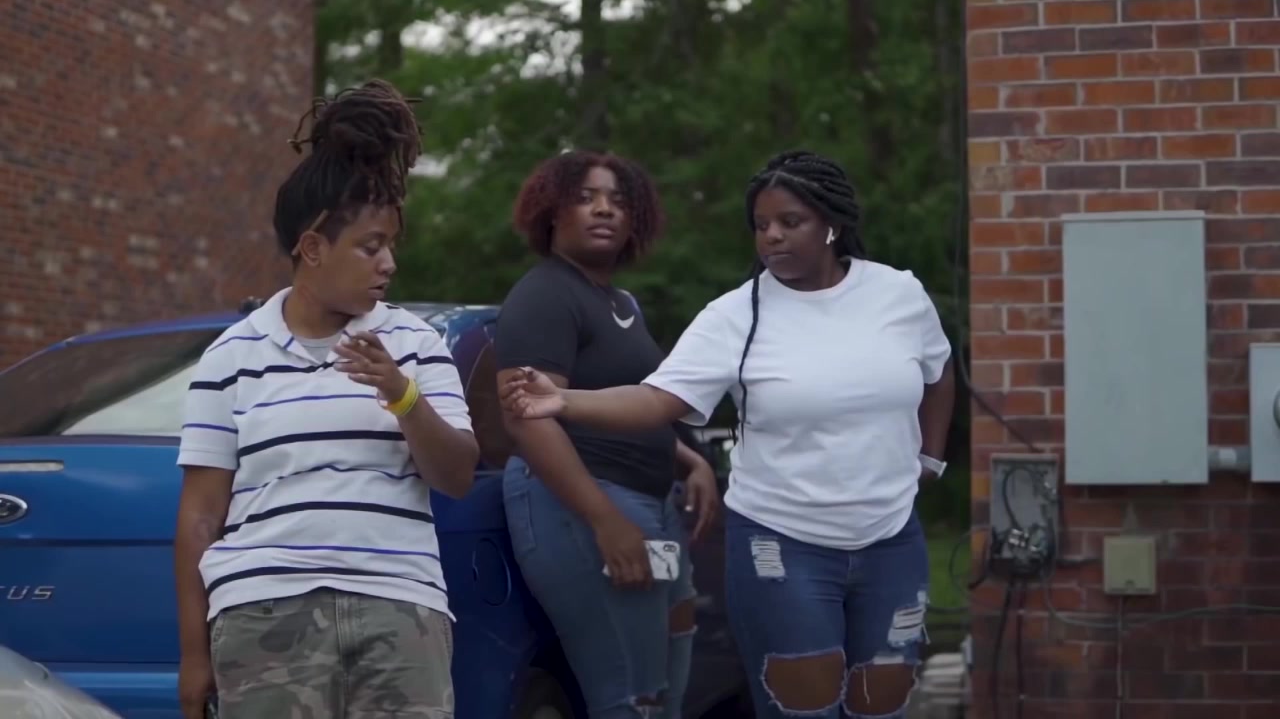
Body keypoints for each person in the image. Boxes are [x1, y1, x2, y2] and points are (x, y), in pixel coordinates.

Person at [500, 150, 956, 719]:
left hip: (891, 538)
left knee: (882, 704)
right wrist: (566, 400)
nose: (772, 237)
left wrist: (929, 458)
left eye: (790, 222)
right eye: (761, 226)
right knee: (800, 707)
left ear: (832, 225)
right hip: (783, 540)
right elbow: (657, 399)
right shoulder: (735, 315)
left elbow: (939, 371)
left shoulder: (898, 294)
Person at [173, 79, 478, 719]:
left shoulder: (416, 344)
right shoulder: (230, 357)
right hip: (264, 612)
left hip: (399, 610)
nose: (388, 263)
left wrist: (402, 395)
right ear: (312, 248)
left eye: (390, 245)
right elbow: (200, 516)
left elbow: (456, 475)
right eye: (371, 246)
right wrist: (194, 655)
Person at [493, 150, 720, 719]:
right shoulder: (545, 294)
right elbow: (527, 417)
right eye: (586, 198)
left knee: (664, 687)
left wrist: (688, 460)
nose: (604, 210)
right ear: (552, 212)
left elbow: (615, 402)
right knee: (632, 695)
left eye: (619, 201)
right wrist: (605, 521)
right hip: (583, 502)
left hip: (651, 503)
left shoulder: (620, 303)